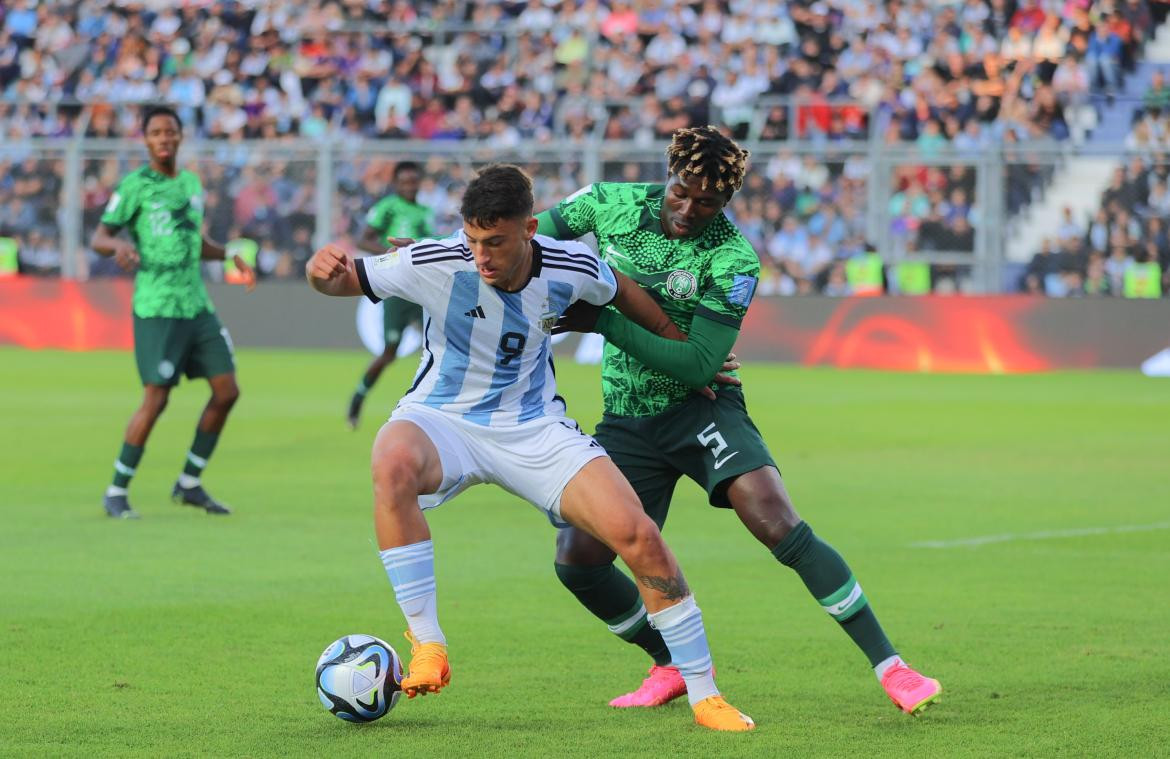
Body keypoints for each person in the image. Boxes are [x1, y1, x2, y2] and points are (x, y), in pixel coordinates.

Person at [305, 164, 754, 731]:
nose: (481, 256)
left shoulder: (574, 265)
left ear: (531, 230)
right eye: (472, 240)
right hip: (443, 418)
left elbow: (626, 296)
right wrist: (319, 272)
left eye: (495, 242)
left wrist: (687, 353)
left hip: (534, 426)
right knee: (390, 458)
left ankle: (704, 692)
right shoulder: (436, 261)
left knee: (638, 533)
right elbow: (344, 280)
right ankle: (427, 642)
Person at [536, 126, 942, 715]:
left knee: (774, 518)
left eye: (707, 202)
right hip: (627, 420)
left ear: (727, 202)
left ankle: (893, 668)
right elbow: (523, 237)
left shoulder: (733, 258)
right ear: (668, 175)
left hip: (701, 411)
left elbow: (701, 364)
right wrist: (435, 253)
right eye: (682, 191)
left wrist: (602, 321)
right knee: (578, 562)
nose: (689, 208)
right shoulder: (608, 203)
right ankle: (670, 662)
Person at [92, 105, 255, 520]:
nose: (164, 138)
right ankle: (116, 490)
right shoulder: (135, 185)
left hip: (196, 304)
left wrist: (229, 255)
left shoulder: (190, 183)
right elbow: (101, 236)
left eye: (171, 132)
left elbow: (195, 241)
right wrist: (120, 248)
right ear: (145, 140)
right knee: (157, 398)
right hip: (157, 307)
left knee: (227, 391)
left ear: (180, 137)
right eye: (156, 133)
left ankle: (189, 483)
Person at [347, 161, 436, 429]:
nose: (409, 185)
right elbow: (363, 239)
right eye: (404, 181)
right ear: (396, 184)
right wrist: (391, 256)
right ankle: (358, 399)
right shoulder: (388, 207)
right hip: (398, 290)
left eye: (413, 181)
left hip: (421, 289)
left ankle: (432, 410)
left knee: (438, 347)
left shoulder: (425, 211)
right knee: (389, 353)